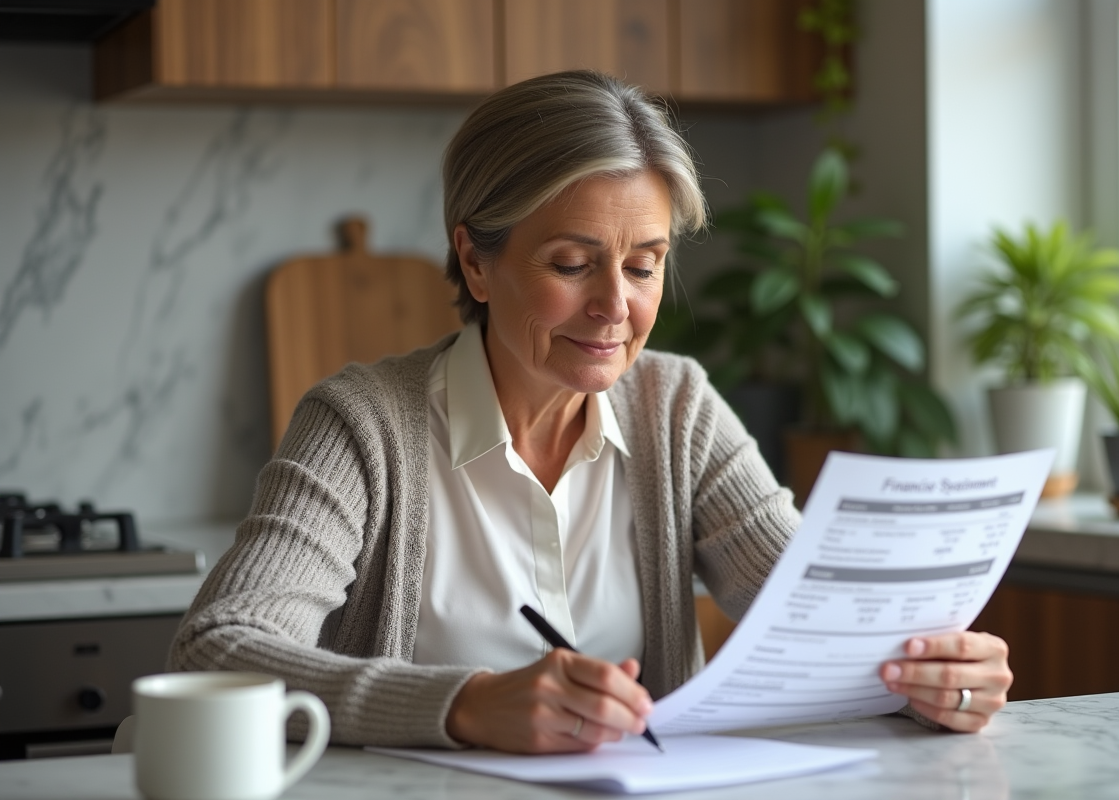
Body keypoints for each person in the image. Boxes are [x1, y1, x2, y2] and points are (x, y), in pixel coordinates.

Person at [169, 70, 1013, 753]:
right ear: (475, 260)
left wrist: (932, 679)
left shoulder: (677, 406)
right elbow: (219, 647)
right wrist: (465, 704)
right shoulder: (362, 424)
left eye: (644, 266)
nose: (616, 306)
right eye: (573, 263)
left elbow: (817, 625)